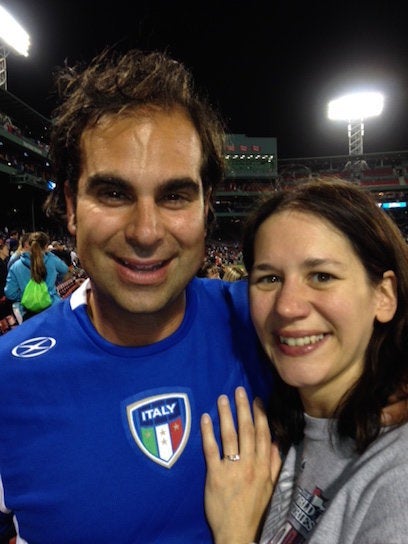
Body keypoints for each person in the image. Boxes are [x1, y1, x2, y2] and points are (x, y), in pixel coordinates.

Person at [0, 48, 272, 543]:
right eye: (114, 193)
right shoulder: (7, 377)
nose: (146, 232)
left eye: (174, 196)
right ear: (70, 207)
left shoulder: (271, 324)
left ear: (207, 208)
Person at [201, 178, 408, 543]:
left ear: (384, 296)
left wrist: (234, 535)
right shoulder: (291, 422)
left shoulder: (399, 476)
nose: (287, 306)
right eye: (269, 278)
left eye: (322, 276)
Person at [5, 231, 70, 320]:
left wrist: (27, 296)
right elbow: (65, 270)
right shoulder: (51, 260)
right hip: (53, 307)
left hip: (29, 314)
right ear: (46, 246)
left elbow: (10, 293)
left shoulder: (16, 266)